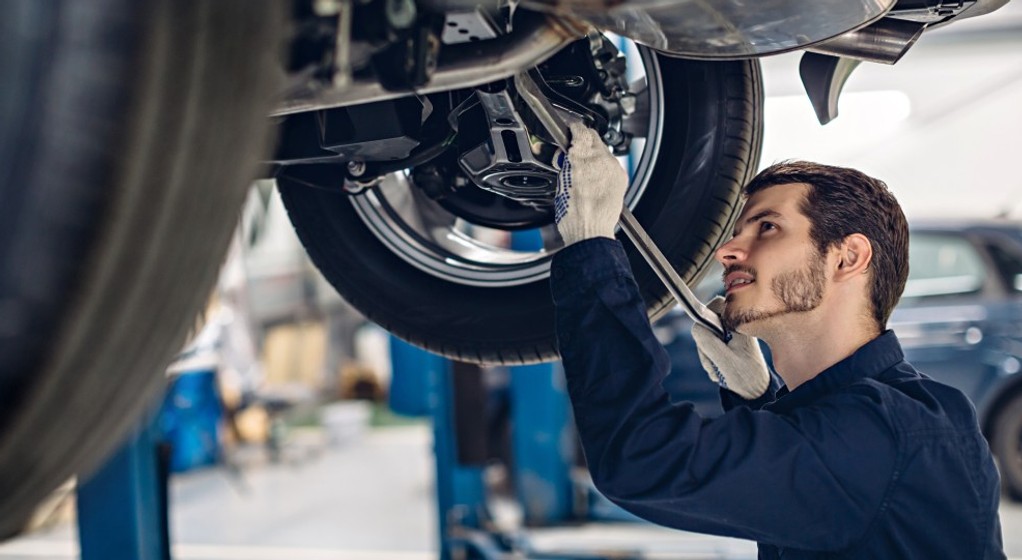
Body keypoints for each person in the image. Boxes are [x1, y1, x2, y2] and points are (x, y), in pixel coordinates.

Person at [550, 123, 1005, 559]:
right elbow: (806, 477)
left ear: (847, 257)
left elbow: (640, 459)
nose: (727, 251)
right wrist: (757, 397)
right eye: (736, 233)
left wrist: (591, 245)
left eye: (767, 227)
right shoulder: (896, 415)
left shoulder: (883, 434)